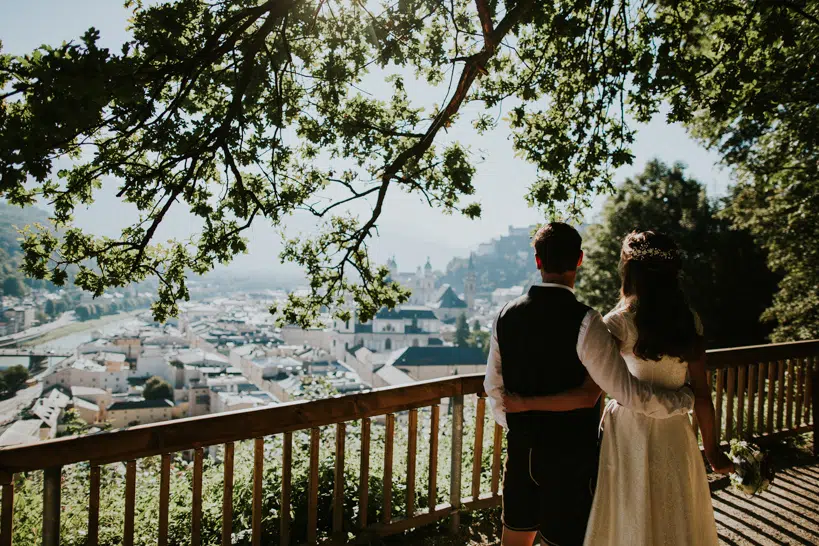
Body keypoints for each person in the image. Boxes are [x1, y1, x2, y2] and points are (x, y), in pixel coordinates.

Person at [504, 230, 733, 546]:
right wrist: (713, 450)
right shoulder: (689, 320)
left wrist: (526, 403)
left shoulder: (619, 322)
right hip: (675, 432)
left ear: (630, 271)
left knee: (630, 513)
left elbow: (587, 392)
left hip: (628, 433)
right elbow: (703, 396)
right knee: (674, 513)